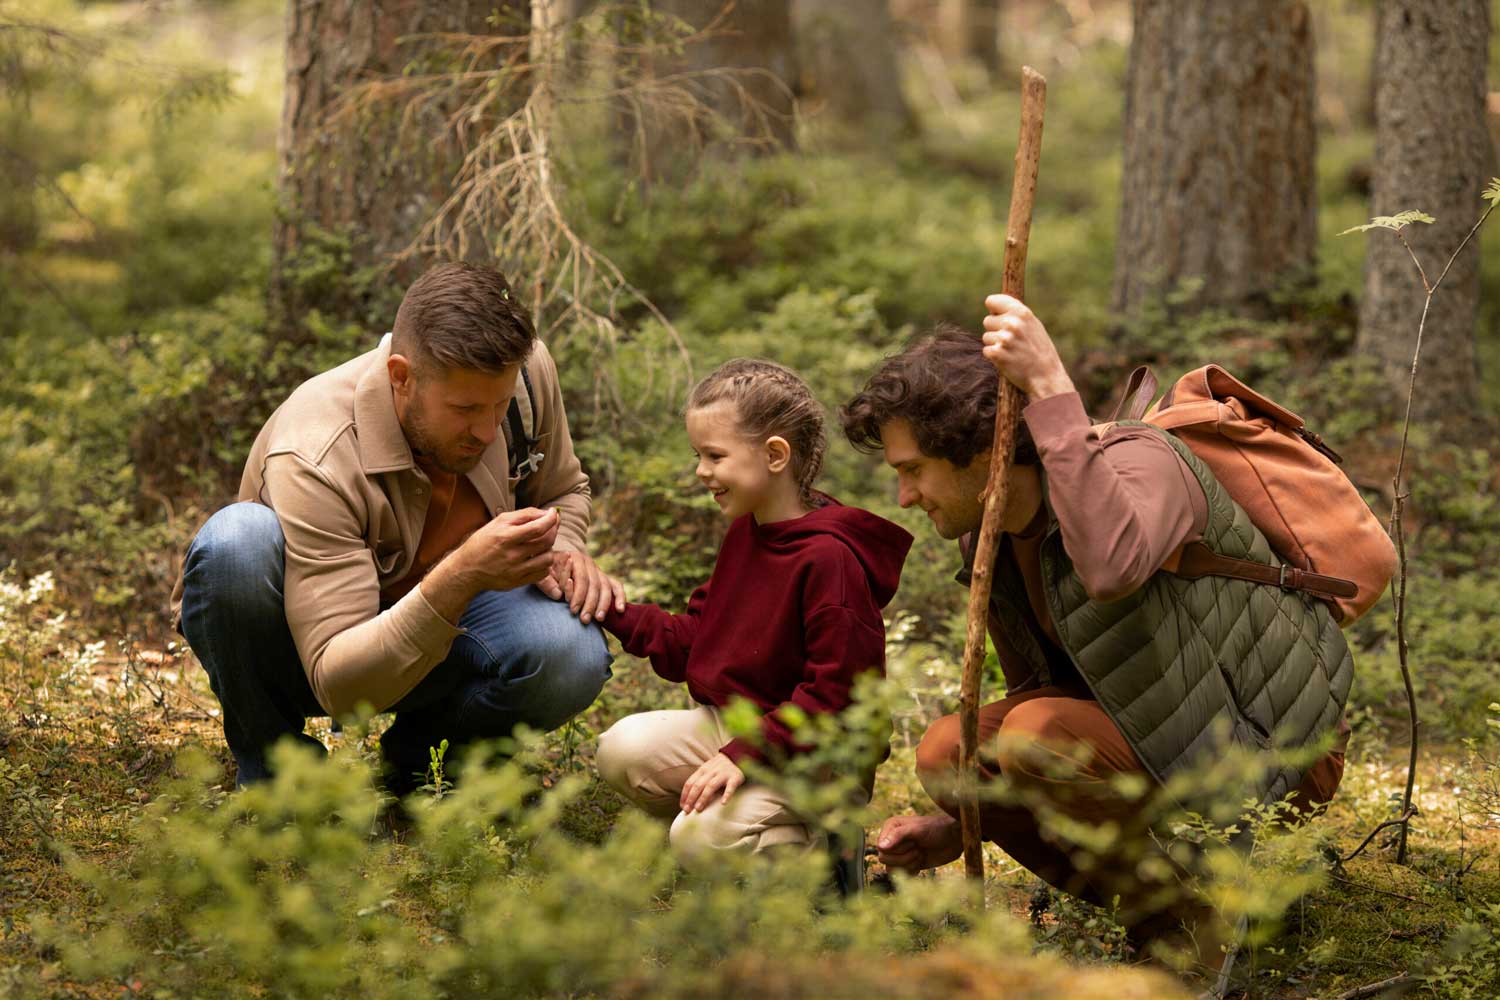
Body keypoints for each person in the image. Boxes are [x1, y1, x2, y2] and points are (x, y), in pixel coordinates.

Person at [839, 297, 1350, 975]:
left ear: (980, 452)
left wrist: (1050, 383)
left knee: (1037, 736)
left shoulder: (1142, 462)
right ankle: (1168, 921)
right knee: (950, 751)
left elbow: (1112, 569)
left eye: (912, 470)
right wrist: (964, 827)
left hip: (1275, 748)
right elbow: (1045, 687)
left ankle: (1216, 929)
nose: (904, 497)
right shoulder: (990, 536)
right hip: (1159, 736)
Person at [172, 262, 619, 793]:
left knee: (571, 654)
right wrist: (464, 571)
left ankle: (422, 768)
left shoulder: (521, 373)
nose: (487, 430)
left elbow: (563, 489)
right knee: (235, 545)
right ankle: (279, 777)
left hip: (450, 631)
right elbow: (340, 685)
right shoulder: (315, 451)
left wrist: (563, 547)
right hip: (310, 651)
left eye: (499, 406)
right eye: (465, 409)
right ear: (401, 377)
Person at [594, 359, 912, 863]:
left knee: (699, 838)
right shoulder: (750, 527)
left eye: (715, 455)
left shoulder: (830, 559)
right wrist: (606, 607)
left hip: (819, 761)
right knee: (621, 750)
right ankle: (731, 829)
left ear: (775, 455)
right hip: (745, 728)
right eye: (698, 455)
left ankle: (827, 854)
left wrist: (742, 756)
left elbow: (837, 698)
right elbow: (697, 640)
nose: (702, 471)